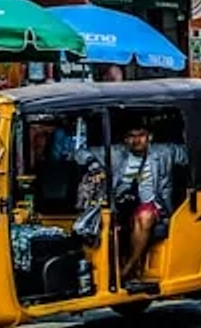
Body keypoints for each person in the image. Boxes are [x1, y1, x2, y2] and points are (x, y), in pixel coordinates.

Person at [78, 120, 187, 286]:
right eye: (131, 136)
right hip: (119, 206)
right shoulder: (115, 152)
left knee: (144, 216)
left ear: (150, 137)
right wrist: (92, 164)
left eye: (141, 135)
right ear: (125, 139)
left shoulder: (165, 152)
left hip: (152, 206)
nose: (136, 140)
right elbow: (79, 152)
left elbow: (193, 152)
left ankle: (128, 268)